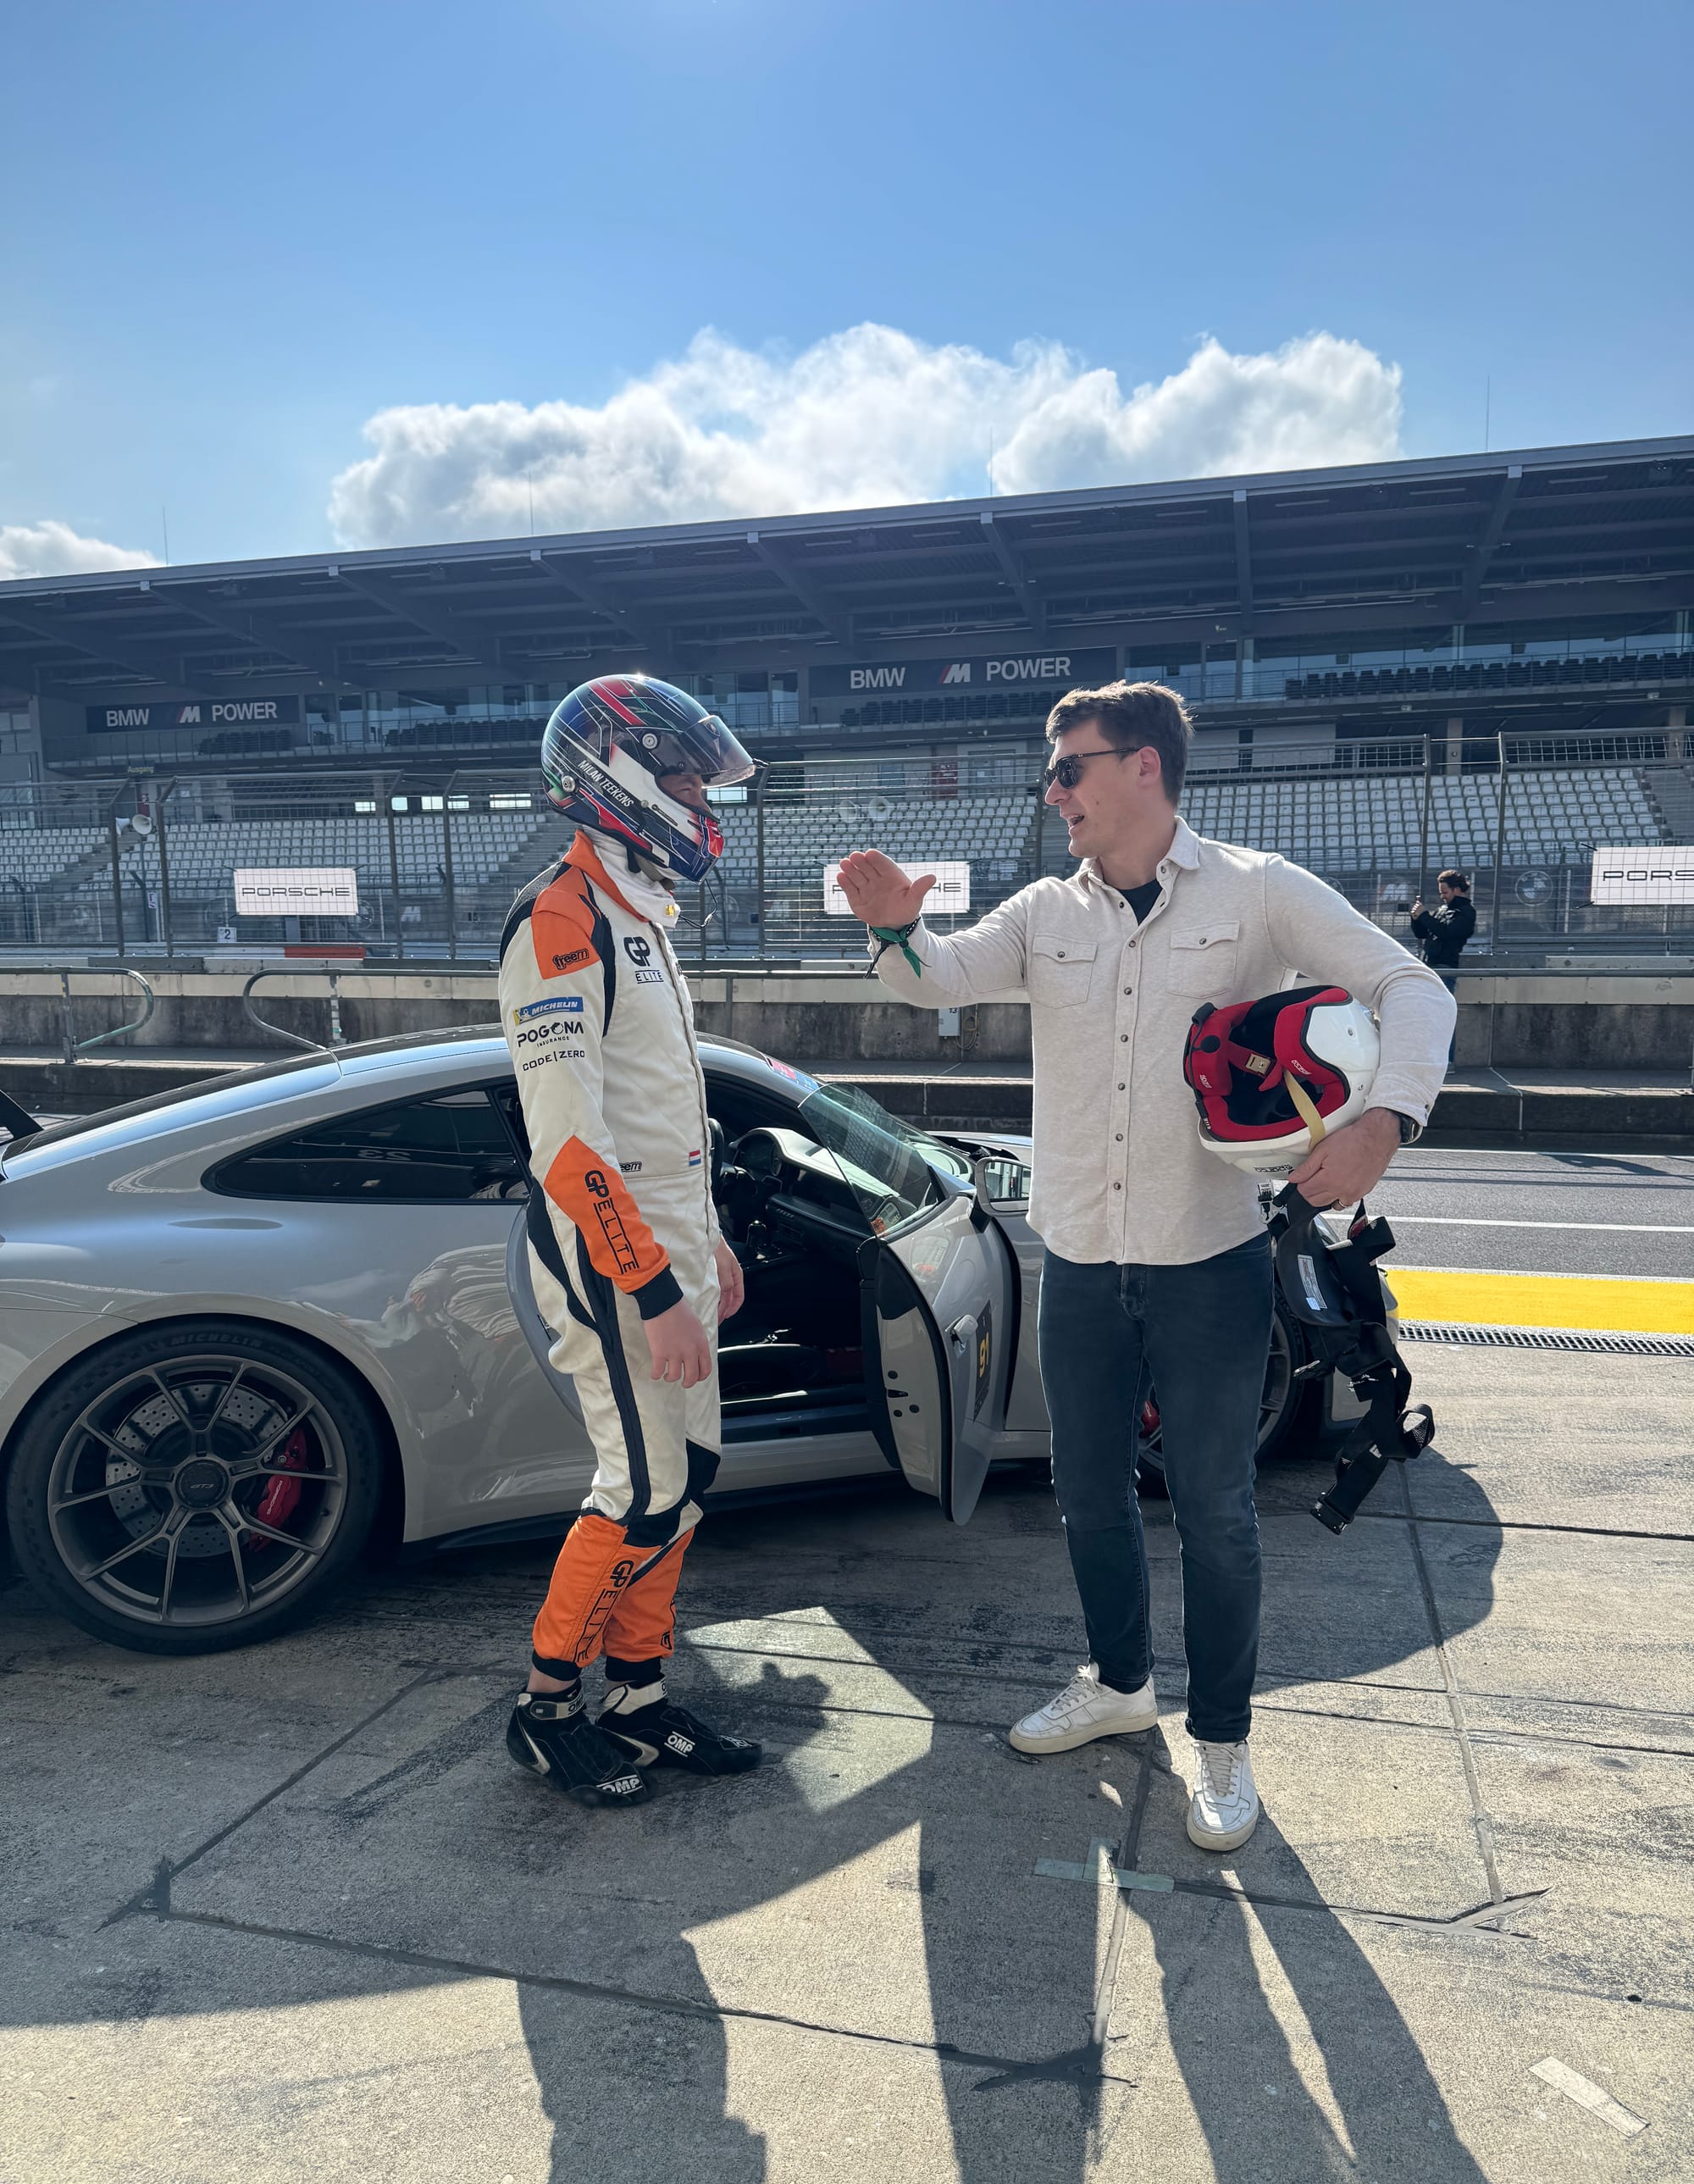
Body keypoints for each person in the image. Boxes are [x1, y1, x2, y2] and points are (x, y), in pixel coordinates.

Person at [836, 682, 1454, 1854]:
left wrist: (1386, 1121)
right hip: (1077, 1259)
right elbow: (937, 977)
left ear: (1143, 768)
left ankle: (1221, 1737)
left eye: (1068, 768)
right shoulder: (1043, 910)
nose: (1053, 792)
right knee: (1087, 1492)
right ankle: (1120, 1681)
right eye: (1051, 772)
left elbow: (1410, 986)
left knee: (1216, 1509)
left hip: (1208, 1260)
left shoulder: (1256, 891)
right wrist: (892, 929)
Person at [500, 675, 763, 1807]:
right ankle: (544, 1707)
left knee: (686, 1483)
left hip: (672, 1246)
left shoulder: (639, 912)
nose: (705, 801)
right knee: (641, 1490)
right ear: (618, 771)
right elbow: (570, 1146)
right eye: (691, 777)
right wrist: (653, 1288)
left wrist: (711, 1244)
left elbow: (665, 1121)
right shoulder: (559, 919)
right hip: (612, 1262)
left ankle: (638, 1697)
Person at [1408, 870, 1475, 970]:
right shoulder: (1442, 909)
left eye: (1445, 893)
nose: (1442, 896)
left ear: (1456, 890)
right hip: (1428, 964)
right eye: (1441, 893)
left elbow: (1446, 932)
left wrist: (1424, 915)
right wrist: (1416, 919)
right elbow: (1422, 934)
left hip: (1445, 965)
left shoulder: (1466, 912)